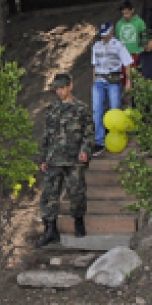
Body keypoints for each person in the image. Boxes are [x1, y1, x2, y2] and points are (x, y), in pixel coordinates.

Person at [37, 73, 95, 247]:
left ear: (70, 86)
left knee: (77, 193)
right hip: (54, 158)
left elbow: (89, 133)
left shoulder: (81, 109)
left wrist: (85, 150)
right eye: (57, 88)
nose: (60, 91)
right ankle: (50, 230)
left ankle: (78, 222)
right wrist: (44, 157)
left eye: (62, 88)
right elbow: (46, 135)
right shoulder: (52, 110)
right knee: (49, 195)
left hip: (74, 159)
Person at [92, 22, 133, 157]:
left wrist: (128, 81)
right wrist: (93, 82)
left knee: (114, 109)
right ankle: (99, 141)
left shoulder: (119, 45)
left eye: (106, 34)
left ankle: (116, 136)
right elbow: (94, 66)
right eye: (102, 35)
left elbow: (127, 64)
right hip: (99, 80)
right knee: (97, 110)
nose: (104, 37)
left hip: (113, 80)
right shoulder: (96, 46)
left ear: (112, 32)